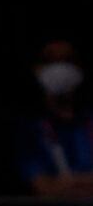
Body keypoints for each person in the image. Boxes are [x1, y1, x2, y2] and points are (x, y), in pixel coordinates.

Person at [18, 35, 93, 197]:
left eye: (67, 60)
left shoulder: (89, 121)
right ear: (37, 69)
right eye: (52, 61)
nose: (61, 68)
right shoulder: (31, 129)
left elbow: (57, 187)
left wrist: (68, 182)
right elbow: (44, 189)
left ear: (79, 68)